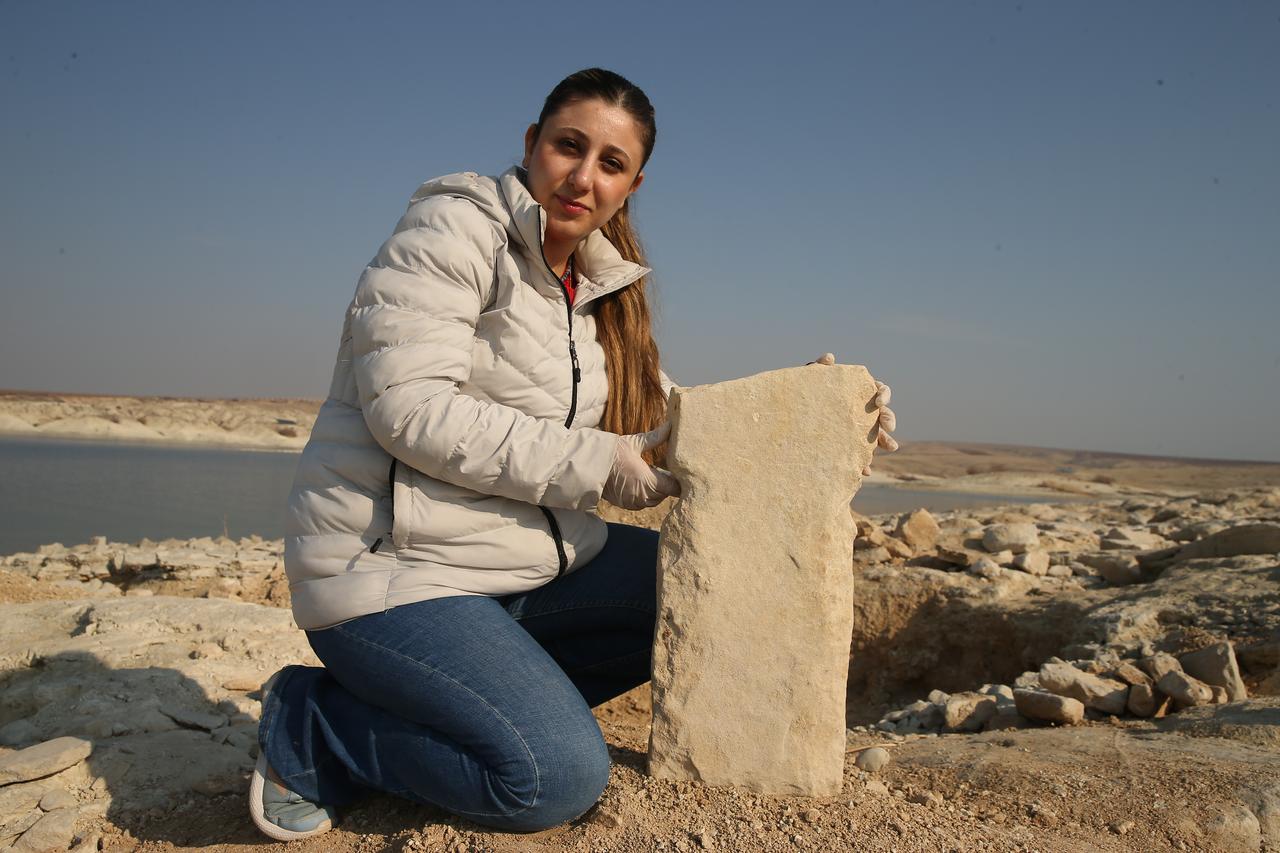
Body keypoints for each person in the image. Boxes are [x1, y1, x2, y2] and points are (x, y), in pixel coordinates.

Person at [249, 68, 897, 841]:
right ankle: (319, 723)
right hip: (392, 574)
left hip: (521, 567)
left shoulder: (597, 284)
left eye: (611, 163)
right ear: (532, 144)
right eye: (569, 146)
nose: (583, 176)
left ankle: (480, 703)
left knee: (704, 592)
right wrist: (599, 463)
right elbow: (409, 410)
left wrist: (810, 415)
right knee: (551, 776)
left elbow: (664, 419)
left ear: (634, 183)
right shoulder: (451, 233)